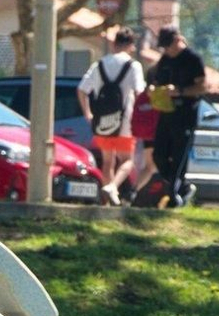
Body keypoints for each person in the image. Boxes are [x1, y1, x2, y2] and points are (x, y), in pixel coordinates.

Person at [76, 27, 145, 206]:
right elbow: (139, 92)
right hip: (125, 122)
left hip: (102, 121)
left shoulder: (99, 65)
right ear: (131, 45)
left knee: (108, 161)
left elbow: (82, 89)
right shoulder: (133, 66)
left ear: (114, 44)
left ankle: (107, 200)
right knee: (127, 161)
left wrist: (87, 113)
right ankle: (113, 187)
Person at [145, 25, 207, 206]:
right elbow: (156, 79)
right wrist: (154, 90)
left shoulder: (193, 59)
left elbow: (202, 87)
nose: (167, 51)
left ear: (177, 41)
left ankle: (174, 194)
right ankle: (182, 187)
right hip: (166, 113)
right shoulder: (165, 60)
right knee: (159, 155)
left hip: (185, 114)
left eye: (168, 46)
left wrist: (179, 91)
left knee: (180, 156)